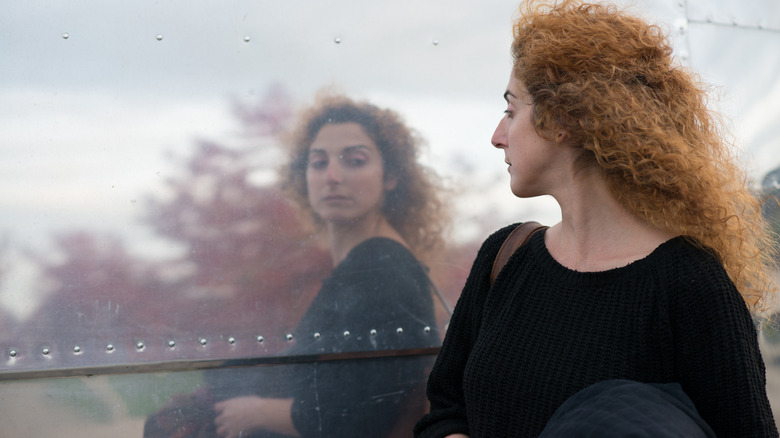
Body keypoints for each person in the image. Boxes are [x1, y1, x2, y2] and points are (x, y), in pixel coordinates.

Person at [414, 1, 779, 437]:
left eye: (511, 111)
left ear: (561, 120)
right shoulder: (505, 256)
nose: (497, 136)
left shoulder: (692, 286)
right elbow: (445, 410)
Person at [209, 92, 448, 438]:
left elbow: (358, 416)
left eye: (355, 160)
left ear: (391, 176)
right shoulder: (368, 264)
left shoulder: (380, 267)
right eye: (319, 162)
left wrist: (255, 411)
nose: (332, 175)